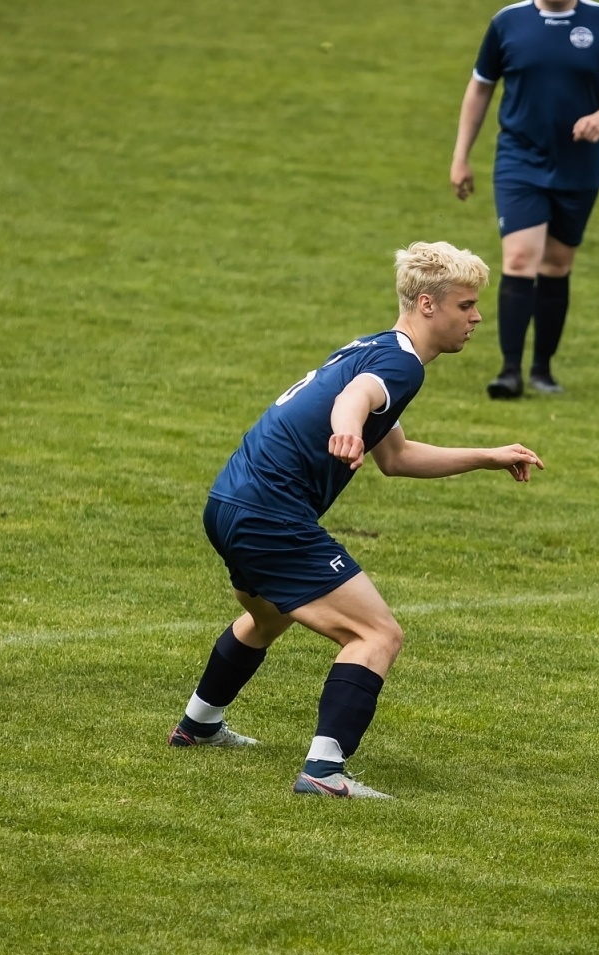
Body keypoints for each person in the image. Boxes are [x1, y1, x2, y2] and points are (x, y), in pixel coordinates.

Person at [167, 242, 544, 799]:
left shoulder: (375, 346)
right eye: (466, 305)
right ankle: (324, 772)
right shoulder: (400, 363)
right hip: (271, 513)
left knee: (268, 616)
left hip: (229, 503)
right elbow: (356, 398)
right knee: (377, 633)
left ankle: (198, 724)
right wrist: (346, 427)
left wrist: (487, 456)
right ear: (427, 304)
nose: (477, 317)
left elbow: (395, 458)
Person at [451, 0, 599, 399]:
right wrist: (461, 156)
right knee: (520, 258)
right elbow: (480, 88)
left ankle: (542, 370)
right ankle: (509, 372)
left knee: (556, 265)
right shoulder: (508, 22)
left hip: (578, 165)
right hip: (519, 160)